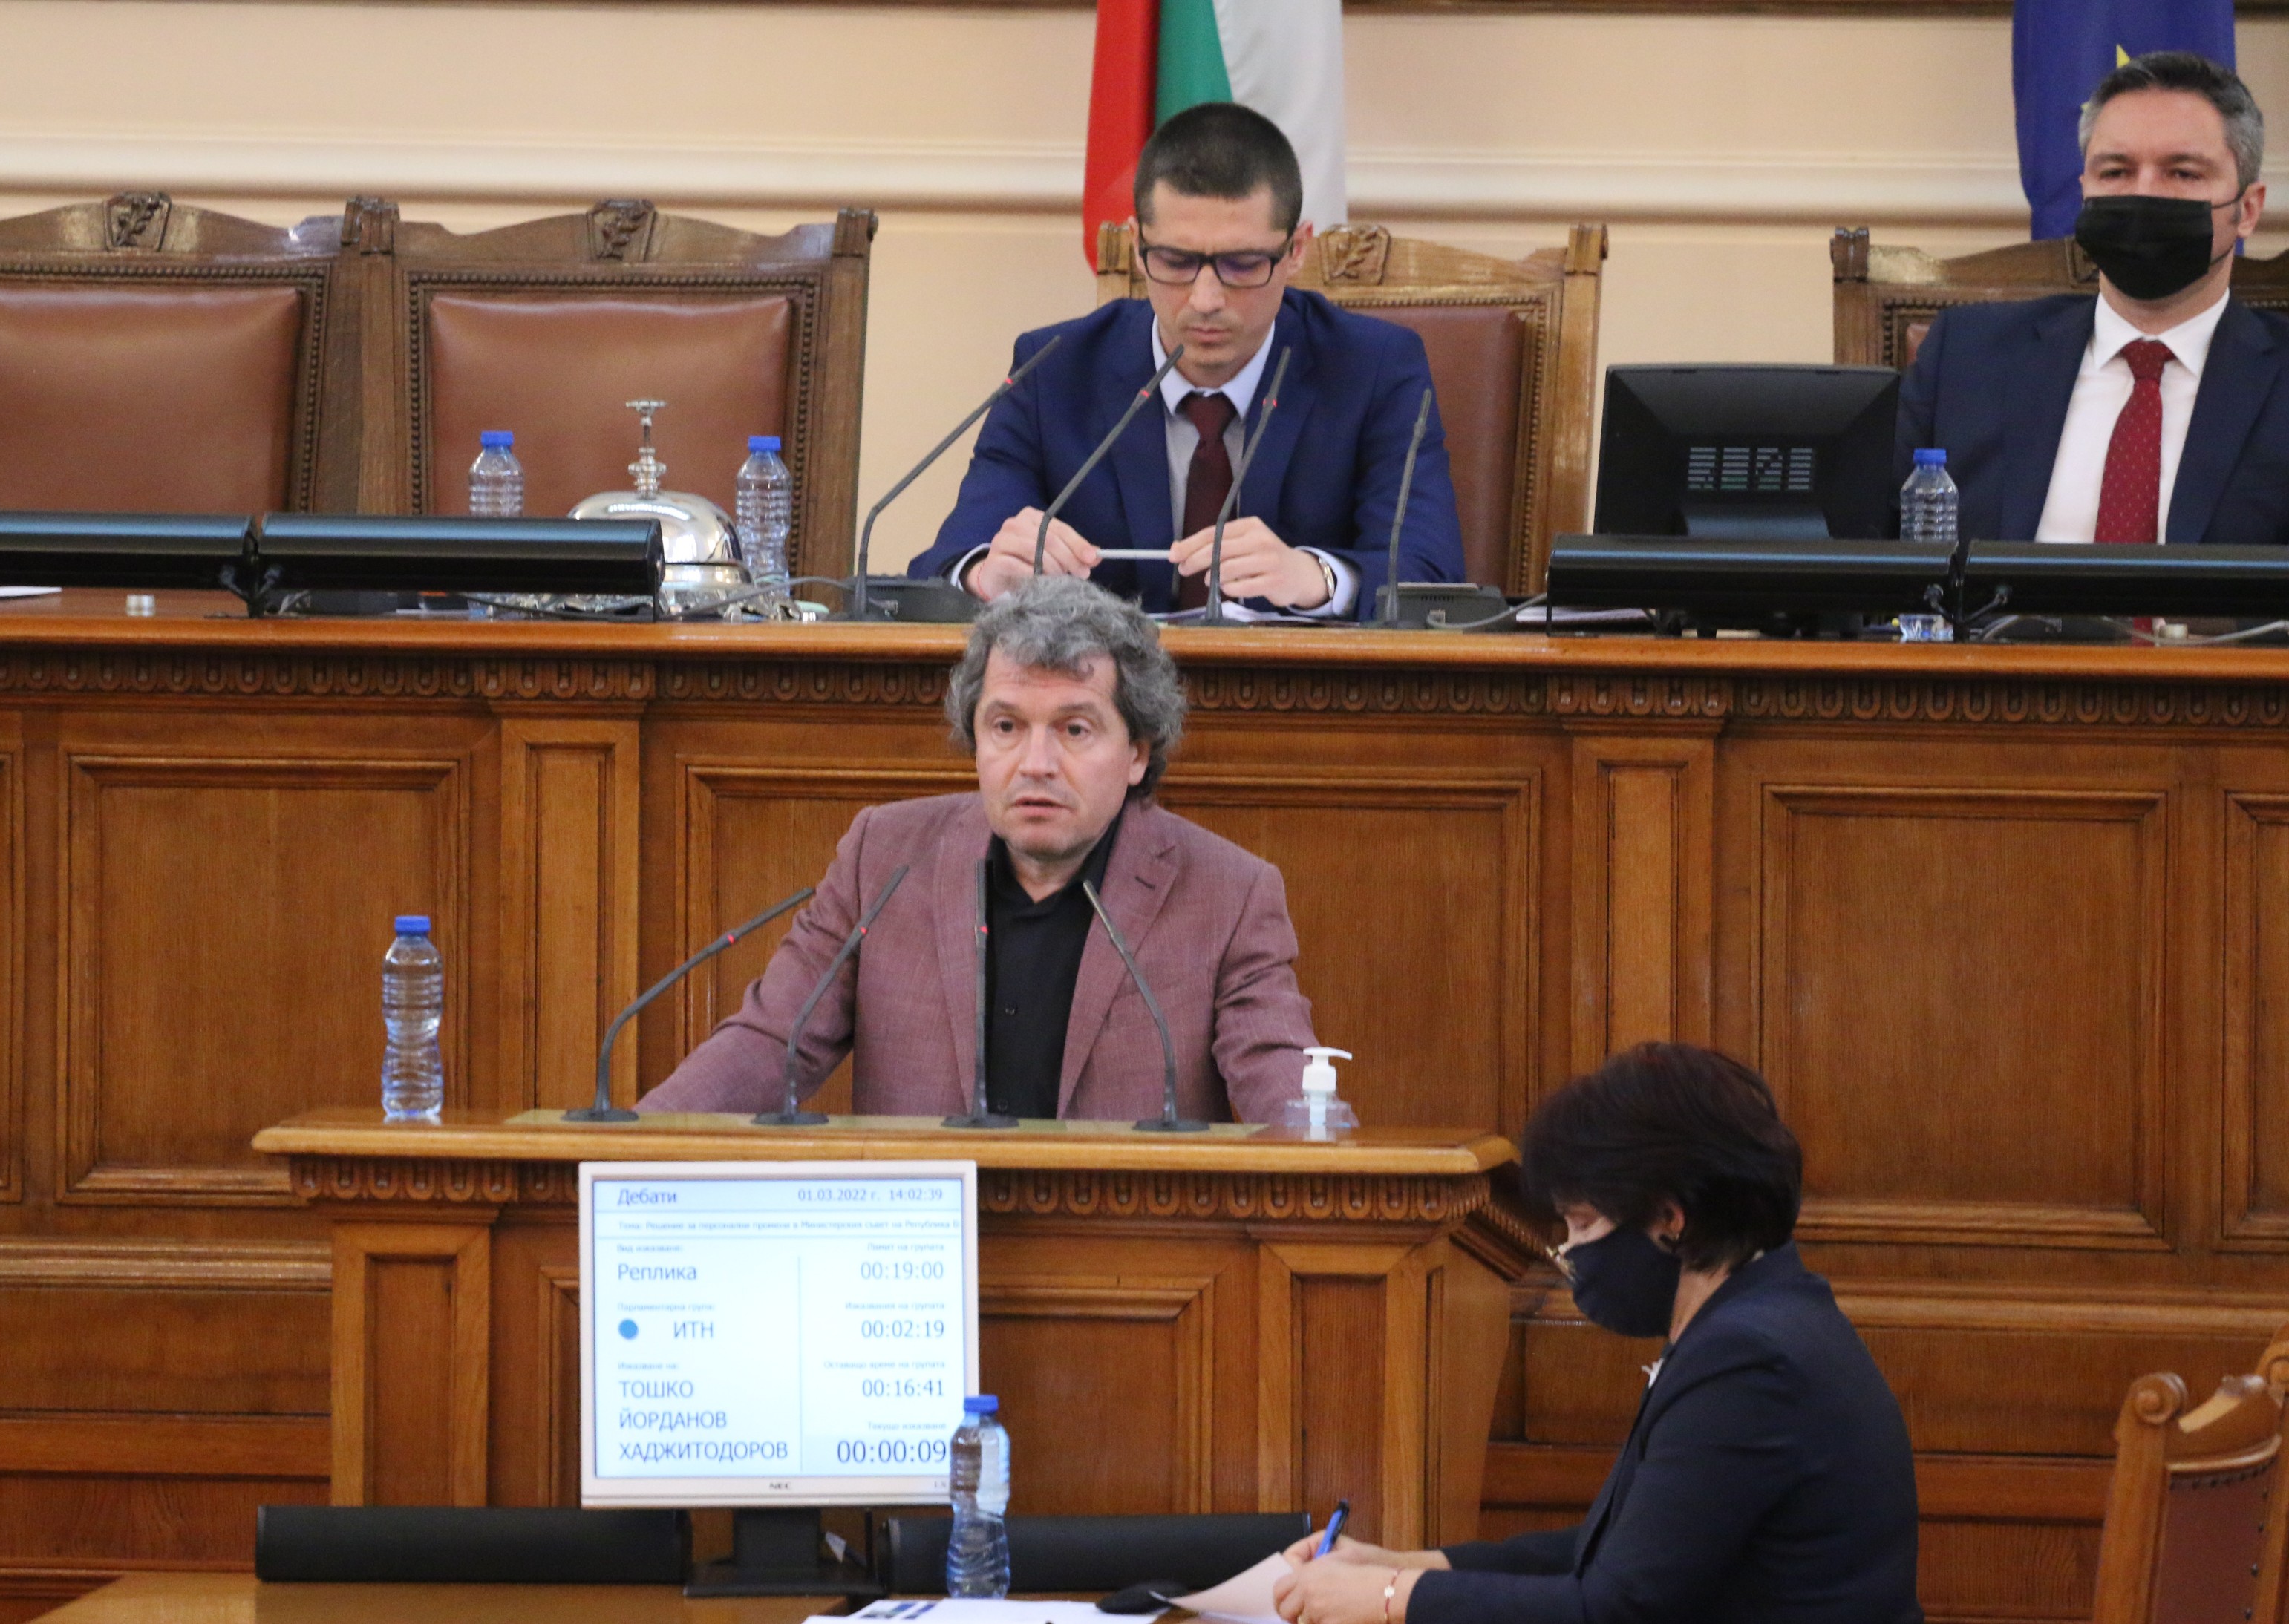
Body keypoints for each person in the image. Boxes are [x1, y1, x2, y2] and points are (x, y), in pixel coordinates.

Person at [1273, 1043, 1920, 1624]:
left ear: (1669, 1219)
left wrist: (1391, 1600)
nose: (1567, 1251)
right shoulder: (1762, 1316)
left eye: (1582, 1224)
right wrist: (1401, 1565)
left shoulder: (1747, 1360)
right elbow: (1612, 1553)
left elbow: (1615, 1607)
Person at [639, 575, 1318, 1120]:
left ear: (1136, 753)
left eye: (1074, 730)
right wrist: (625, 1151)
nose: (1035, 764)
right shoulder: (884, 857)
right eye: (1006, 727)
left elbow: (1279, 1076)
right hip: (920, 1240)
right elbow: (769, 1044)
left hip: (1124, 1243)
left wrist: (1318, 1154)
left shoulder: (1227, 893)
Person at [910, 101, 1462, 620]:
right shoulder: (1052, 371)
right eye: (1175, 261)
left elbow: (1431, 577)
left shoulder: (1374, 369)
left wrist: (1318, 578)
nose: (1205, 300)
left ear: (1296, 250)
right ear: (1136, 245)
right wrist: (984, 574)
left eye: (1242, 265)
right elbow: (943, 568)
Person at [1899, 50, 2289, 547]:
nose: (2144, 194)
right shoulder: (1965, 357)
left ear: (2248, 210)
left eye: (2183, 173)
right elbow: (1873, 549)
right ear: (2084, 190)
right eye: (2115, 172)